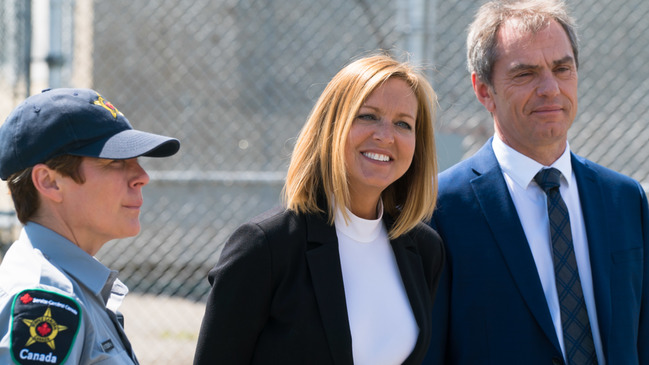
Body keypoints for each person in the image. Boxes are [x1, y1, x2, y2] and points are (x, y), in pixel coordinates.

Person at [424, 0, 648, 364]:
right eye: (525, 73)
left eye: (562, 69)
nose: (550, 88)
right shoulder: (440, 209)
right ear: (483, 90)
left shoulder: (625, 200)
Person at [193, 54, 444, 365]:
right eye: (368, 116)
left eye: (403, 124)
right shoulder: (265, 247)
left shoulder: (424, 249)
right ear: (331, 126)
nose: (385, 135)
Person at [0, 88, 180, 364]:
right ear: (50, 182)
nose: (142, 176)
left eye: (136, 161)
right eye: (115, 162)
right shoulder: (45, 299)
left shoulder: (68, 285)